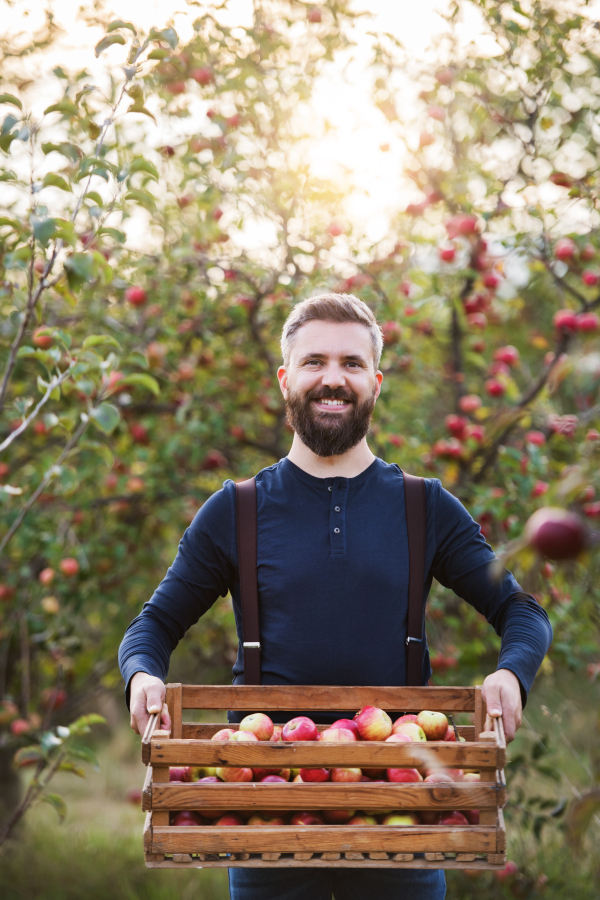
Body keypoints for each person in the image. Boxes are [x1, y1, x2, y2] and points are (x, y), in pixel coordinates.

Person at [119, 292, 552, 900]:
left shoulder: (422, 507)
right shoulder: (236, 510)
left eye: (351, 364)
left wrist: (512, 674)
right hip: (265, 812)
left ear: (375, 382)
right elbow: (151, 627)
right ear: (284, 379)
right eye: (314, 361)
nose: (332, 378)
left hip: (400, 813)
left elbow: (522, 612)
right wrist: (143, 677)